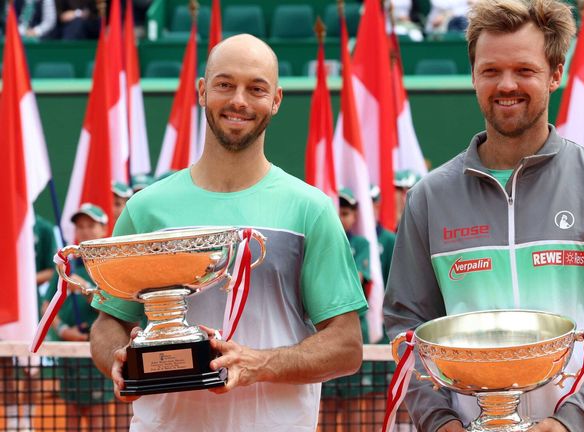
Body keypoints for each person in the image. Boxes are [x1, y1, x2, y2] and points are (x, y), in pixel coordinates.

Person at [383, 1, 584, 431]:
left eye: (524, 70)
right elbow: (406, 326)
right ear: (474, 76)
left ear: (555, 74)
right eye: (491, 70)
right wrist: (439, 422)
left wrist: (572, 421)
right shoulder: (429, 198)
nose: (506, 84)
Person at [88, 34, 367, 431]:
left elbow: (346, 346)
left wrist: (258, 364)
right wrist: (118, 356)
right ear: (203, 91)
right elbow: (108, 322)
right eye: (224, 84)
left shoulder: (312, 210)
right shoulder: (144, 209)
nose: (239, 100)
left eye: (256, 89)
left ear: (276, 100)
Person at [44, 203, 116, 430]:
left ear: (103, 229)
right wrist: (64, 330)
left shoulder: (111, 268)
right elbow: (47, 305)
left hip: (98, 352)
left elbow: (115, 308)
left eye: (90, 225)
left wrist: (85, 290)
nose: (85, 231)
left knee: (99, 418)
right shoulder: (66, 269)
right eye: (80, 226)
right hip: (69, 354)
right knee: (71, 415)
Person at [320, 188, 373, 431]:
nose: (341, 218)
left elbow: (359, 279)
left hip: (354, 331)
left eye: (346, 212)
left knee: (354, 401)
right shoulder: (319, 242)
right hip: (322, 332)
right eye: (337, 212)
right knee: (328, 402)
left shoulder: (361, 244)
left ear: (354, 216)